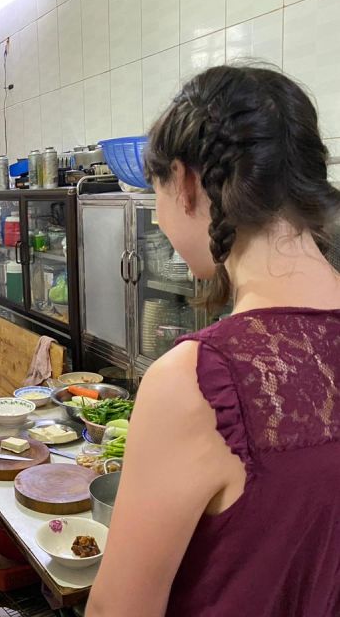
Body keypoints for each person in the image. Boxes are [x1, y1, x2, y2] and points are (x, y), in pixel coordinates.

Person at [86, 65, 340, 617]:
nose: (158, 216)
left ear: (186, 182)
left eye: (154, 192)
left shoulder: (199, 380)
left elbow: (118, 611)